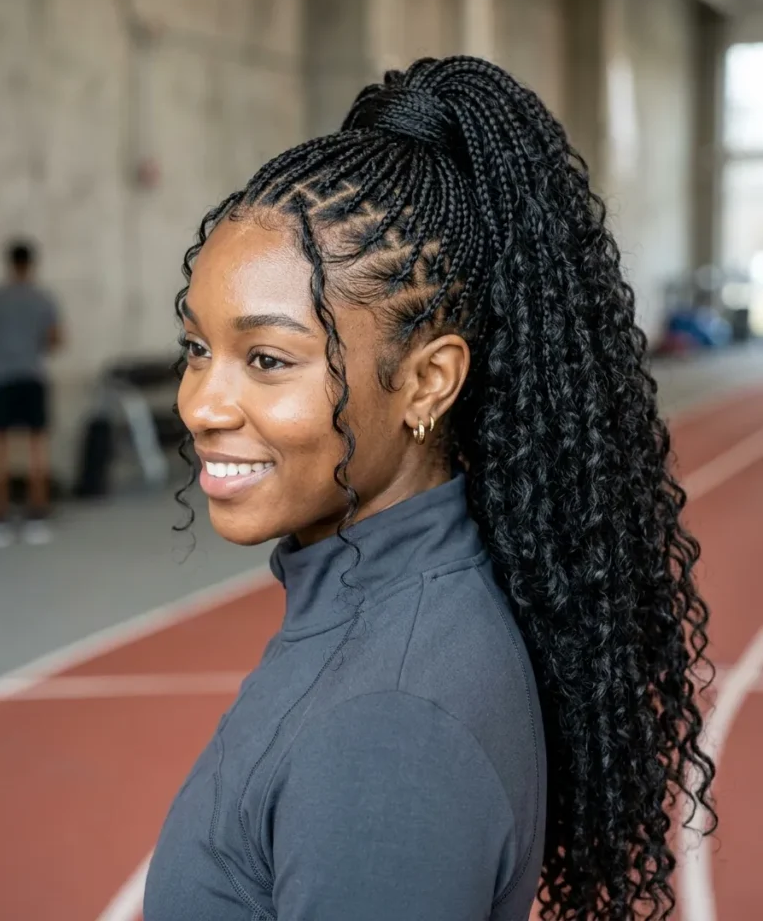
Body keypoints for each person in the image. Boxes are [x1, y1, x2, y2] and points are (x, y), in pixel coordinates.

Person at [144, 57, 715, 921]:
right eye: (197, 349)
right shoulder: (385, 613)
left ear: (425, 382)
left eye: (267, 359)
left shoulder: (390, 727)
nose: (200, 404)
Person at [0, 238, 61, 546]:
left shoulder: (0, 298)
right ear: (31, 264)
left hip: (3, 381)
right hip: (32, 378)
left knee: (1, 452)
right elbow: (54, 340)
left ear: (9, 263)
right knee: (37, 450)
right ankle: (37, 519)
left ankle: (2, 522)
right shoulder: (42, 299)